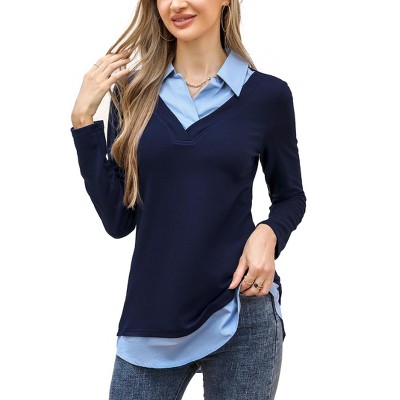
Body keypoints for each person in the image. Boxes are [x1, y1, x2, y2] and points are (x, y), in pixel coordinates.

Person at [70, 0, 306, 399]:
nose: (177, 4)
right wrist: (83, 123)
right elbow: (118, 220)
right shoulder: (131, 93)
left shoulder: (267, 96)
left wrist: (269, 233)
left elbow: (290, 197)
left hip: (241, 311)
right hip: (152, 320)